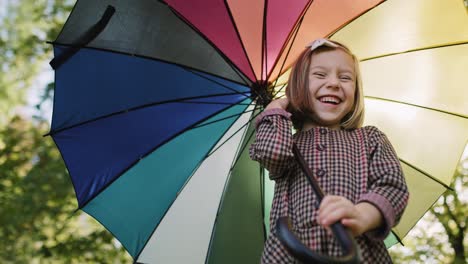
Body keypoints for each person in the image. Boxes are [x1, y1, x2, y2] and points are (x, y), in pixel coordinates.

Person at [249, 38, 409, 263]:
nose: (334, 83)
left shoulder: (370, 138)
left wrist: (362, 215)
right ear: (298, 88)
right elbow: (271, 153)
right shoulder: (287, 144)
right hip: (291, 254)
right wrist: (275, 110)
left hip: (358, 253)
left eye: (345, 77)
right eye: (320, 75)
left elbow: (392, 186)